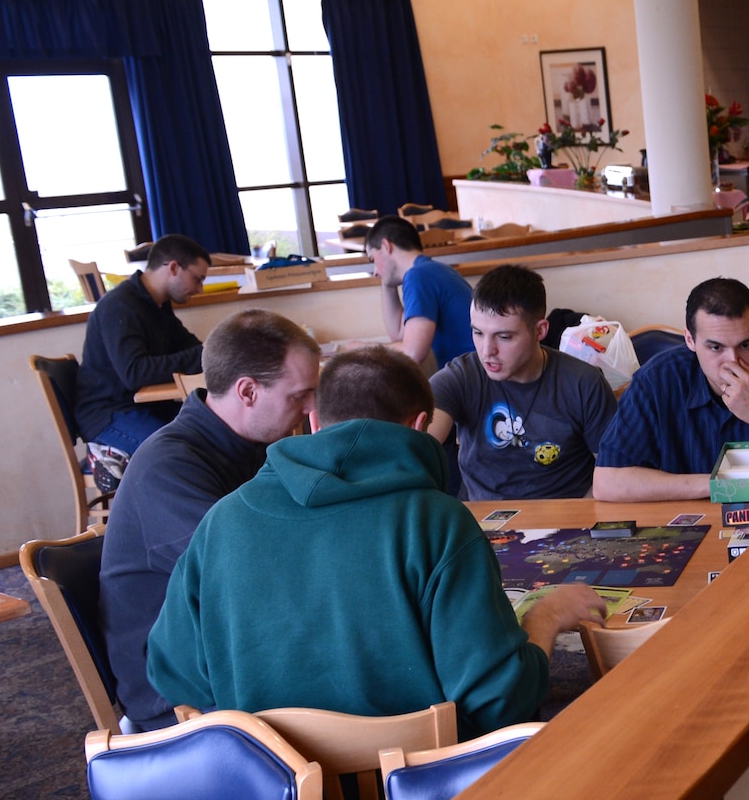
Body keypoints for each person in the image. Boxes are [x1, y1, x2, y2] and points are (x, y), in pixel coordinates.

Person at [148, 347, 603, 737]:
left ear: (312, 421)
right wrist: (546, 616)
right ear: (420, 425)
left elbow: (173, 671)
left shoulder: (222, 520)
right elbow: (497, 701)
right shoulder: (439, 522)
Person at [99, 310, 321, 731]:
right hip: (177, 692)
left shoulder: (250, 444)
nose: (312, 409)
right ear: (248, 392)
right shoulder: (168, 468)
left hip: (232, 647)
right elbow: (260, 572)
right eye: (299, 396)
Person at [593, 278, 749, 502]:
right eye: (716, 348)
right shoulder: (657, 381)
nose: (733, 361)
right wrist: (719, 483)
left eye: (746, 345)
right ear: (690, 340)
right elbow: (607, 483)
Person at [427, 265, 616, 500]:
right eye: (478, 333)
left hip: (567, 520)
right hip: (484, 523)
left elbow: (614, 475)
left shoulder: (583, 383)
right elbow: (416, 450)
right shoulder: (459, 377)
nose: (487, 351)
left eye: (504, 337)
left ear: (540, 331)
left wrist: (579, 520)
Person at [77, 234, 212, 490]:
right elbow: (136, 373)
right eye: (198, 278)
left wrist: (215, 352)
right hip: (109, 414)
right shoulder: (120, 306)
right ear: (173, 267)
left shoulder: (157, 305)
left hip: (146, 407)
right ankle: (105, 451)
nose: (199, 289)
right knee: (178, 455)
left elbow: (191, 348)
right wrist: (202, 354)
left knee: (212, 426)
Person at [367, 215, 474, 373]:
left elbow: (412, 353)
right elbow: (398, 336)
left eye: (372, 259)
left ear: (385, 246)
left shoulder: (419, 276)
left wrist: (361, 349)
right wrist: (387, 284)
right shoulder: (429, 270)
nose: (375, 272)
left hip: (473, 381)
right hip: (470, 375)